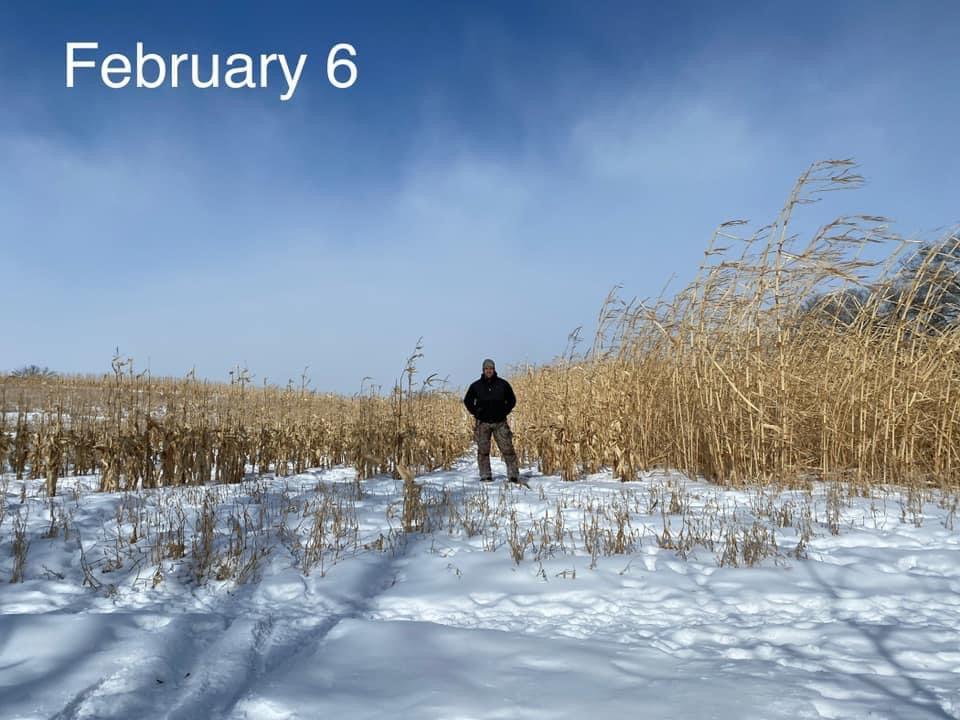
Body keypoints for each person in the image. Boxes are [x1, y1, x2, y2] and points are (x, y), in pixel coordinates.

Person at [463, 358, 520, 483]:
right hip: (482, 423)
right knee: (483, 451)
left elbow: (512, 400)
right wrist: (476, 412)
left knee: (508, 449)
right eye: (486, 368)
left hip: (500, 423)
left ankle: (513, 475)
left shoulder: (503, 384)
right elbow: (467, 401)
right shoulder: (476, 386)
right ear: (483, 370)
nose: (489, 370)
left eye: (491, 368)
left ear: (494, 369)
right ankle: (485, 475)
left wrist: (504, 411)